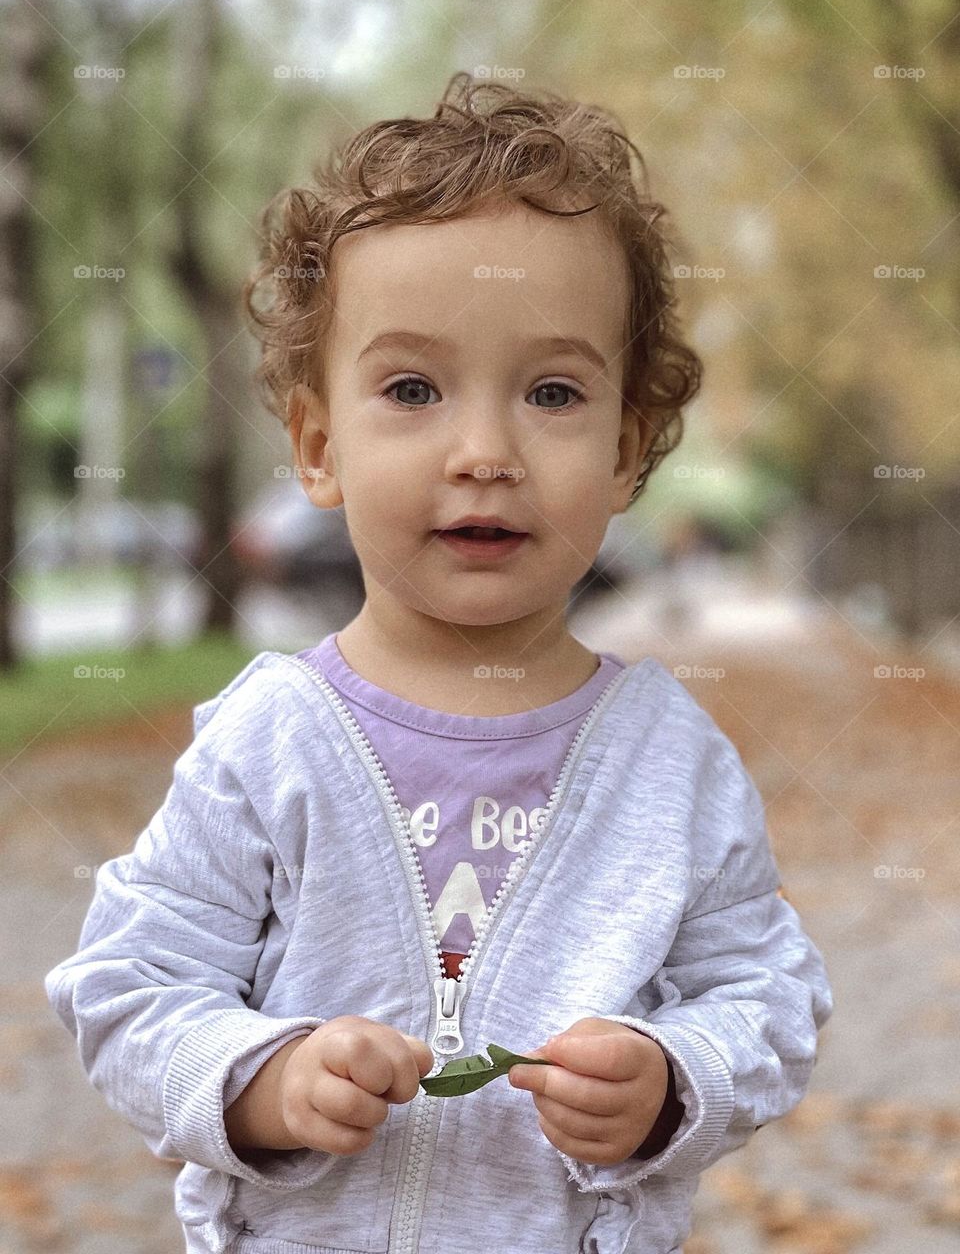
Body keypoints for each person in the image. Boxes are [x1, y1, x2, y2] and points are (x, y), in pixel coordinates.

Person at [44, 71, 833, 1253]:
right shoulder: (273, 742)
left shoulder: (668, 758)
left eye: (552, 392)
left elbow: (767, 992)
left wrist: (676, 1074)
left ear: (625, 455)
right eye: (412, 388)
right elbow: (129, 985)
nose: (484, 451)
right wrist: (264, 1079)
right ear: (319, 447)